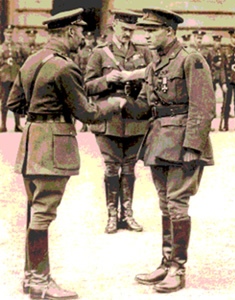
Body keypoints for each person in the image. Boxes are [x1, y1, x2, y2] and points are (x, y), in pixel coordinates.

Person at [7, 8, 125, 300]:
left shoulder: (32, 60)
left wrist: (42, 111)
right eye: (81, 33)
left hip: (31, 142)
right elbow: (87, 113)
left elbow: (14, 103)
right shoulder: (65, 67)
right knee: (43, 213)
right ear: (70, 32)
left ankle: (30, 277)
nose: (83, 38)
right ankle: (40, 282)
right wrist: (114, 103)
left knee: (36, 211)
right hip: (53, 145)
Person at [122, 7, 215, 293]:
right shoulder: (155, 64)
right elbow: (147, 107)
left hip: (182, 142)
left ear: (170, 32)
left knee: (177, 204)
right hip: (159, 140)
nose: (145, 36)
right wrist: (123, 100)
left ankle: (178, 268)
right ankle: (165, 263)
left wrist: (193, 146)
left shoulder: (190, 59)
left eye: (152, 31)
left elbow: (204, 105)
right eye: (144, 31)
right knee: (165, 203)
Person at [85, 9, 152, 234]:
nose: (127, 35)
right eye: (124, 30)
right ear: (114, 26)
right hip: (109, 119)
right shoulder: (100, 53)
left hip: (135, 117)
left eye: (132, 31)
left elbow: (151, 80)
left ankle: (128, 213)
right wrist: (105, 80)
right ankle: (112, 215)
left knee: (130, 166)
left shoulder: (143, 52)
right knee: (112, 166)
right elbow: (87, 86)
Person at [0, 25, 24, 132]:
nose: (9, 35)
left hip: (15, 77)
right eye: (7, 33)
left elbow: (22, 60)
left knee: (16, 100)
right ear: (4, 34)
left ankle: (17, 125)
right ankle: (3, 125)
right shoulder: (1, 47)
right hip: (5, 77)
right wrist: (4, 62)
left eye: (10, 33)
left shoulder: (17, 48)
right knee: (4, 100)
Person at [208, 34, 228, 131]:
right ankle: (210, 124)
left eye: (219, 41)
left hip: (220, 77)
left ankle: (222, 124)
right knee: (210, 101)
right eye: (216, 41)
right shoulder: (209, 53)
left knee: (225, 98)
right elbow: (207, 67)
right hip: (211, 78)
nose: (218, 43)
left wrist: (224, 82)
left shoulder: (222, 53)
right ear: (213, 42)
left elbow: (223, 68)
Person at [222, 29, 235, 131]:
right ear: (230, 38)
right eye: (234, 37)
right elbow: (222, 69)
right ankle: (225, 124)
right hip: (228, 80)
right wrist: (223, 82)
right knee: (226, 103)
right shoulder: (225, 50)